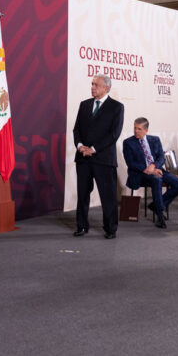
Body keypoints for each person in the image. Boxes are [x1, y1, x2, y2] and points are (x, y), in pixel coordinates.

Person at [72, 74, 124, 239]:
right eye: (92, 84)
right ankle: (82, 226)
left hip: (104, 159)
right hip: (83, 158)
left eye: (96, 85)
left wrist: (93, 149)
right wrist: (80, 147)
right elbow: (76, 130)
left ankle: (110, 229)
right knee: (82, 195)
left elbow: (113, 134)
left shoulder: (117, 107)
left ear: (106, 88)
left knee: (108, 196)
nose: (92, 87)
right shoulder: (84, 105)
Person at [123, 117, 178, 229]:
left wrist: (154, 166)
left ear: (146, 130)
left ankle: (156, 206)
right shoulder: (128, 142)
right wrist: (149, 169)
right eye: (135, 128)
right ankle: (160, 215)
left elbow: (161, 157)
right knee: (157, 179)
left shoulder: (155, 139)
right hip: (140, 173)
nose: (136, 131)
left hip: (157, 169)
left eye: (139, 129)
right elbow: (131, 163)